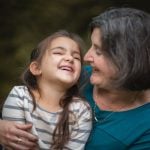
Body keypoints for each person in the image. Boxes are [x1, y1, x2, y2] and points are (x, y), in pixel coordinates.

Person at [2, 30, 92, 149]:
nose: (70, 58)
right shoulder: (20, 96)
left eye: (76, 57)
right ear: (36, 68)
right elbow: (15, 145)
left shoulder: (81, 110)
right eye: (59, 53)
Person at [82, 7, 150, 149]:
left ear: (128, 60)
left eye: (98, 51)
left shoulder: (146, 125)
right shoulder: (74, 78)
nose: (86, 57)